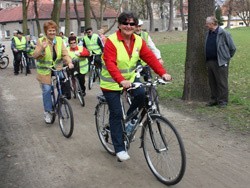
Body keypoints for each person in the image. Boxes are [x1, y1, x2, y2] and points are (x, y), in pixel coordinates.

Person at [100, 11, 172, 161]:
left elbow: (150, 58)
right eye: (125, 23)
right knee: (117, 114)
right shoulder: (111, 41)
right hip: (111, 83)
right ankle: (119, 148)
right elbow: (110, 64)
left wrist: (162, 73)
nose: (128, 26)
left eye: (132, 23)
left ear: (135, 26)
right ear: (119, 25)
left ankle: (131, 120)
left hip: (130, 79)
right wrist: (120, 80)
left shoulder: (138, 41)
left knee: (142, 94)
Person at [33, 20, 74, 124]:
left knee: (63, 84)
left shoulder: (59, 40)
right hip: (45, 70)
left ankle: (61, 101)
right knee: (47, 90)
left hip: (57, 68)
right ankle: (48, 111)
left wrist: (69, 62)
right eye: (49, 30)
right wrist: (42, 48)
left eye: (53, 30)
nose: (52, 32)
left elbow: (65, 53)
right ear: (46, 31)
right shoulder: (41, 40)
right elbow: (35, 55)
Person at [205, 16, 236, 108]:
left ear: (213, 24)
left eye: (207, 23)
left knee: (222, 82)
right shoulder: (208, 33)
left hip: (221, 62)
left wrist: (226, 58)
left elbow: (232, 48)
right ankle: (214, 99)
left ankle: (223, 101)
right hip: (210, 61)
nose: (206, 25)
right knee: (212, 82)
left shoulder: (224, 33)